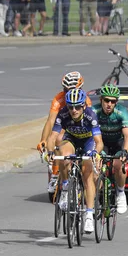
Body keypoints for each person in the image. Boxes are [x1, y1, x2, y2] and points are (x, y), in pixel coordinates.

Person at [46, 88, 104, 234]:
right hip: (71, 140)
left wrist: (94, 153)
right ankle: (65, 187)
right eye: (70, 106)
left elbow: (99, 142)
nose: (74, 110)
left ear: (84, 106)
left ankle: (89, 215)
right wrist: (50, 152)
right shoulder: (63, 114)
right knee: (63, 155)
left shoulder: (91, 116)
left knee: (87, 174)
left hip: (88, 142)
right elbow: (53, 137)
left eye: (77, 106)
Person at [37, 71, 93, 195]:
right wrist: (43, 140)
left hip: (79, 128)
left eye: (70, 90)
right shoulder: (59, 98)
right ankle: (55, 172)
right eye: (65, 89)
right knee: (57, 139)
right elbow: (51, 121)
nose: (67, 93)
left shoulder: (85, 100)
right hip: (64, 123)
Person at [91, 84, 128, 214]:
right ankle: (97, 195)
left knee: (118, 164)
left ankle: (120, 192)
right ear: (101, 100)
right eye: (106, 100)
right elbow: (89, 134)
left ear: (116, 102)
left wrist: (125, 151)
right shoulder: (94, 111)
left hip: (118, 143)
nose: (109, 104)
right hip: (102, 143)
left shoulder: (122, 112)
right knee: (96, 165)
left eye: (113, 101)